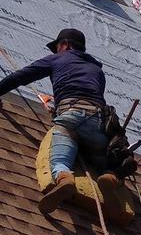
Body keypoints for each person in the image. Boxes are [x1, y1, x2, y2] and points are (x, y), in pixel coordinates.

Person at [0, 28, 118, 213]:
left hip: (70, 116)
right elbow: (90, 95)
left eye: (57, 47)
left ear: (65, 45)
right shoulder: (97, 70)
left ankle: (64, 178)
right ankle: (110, 176)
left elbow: (20, 76)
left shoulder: (58, 58)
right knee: (110, 160)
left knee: (61, 157)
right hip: (98, 121)